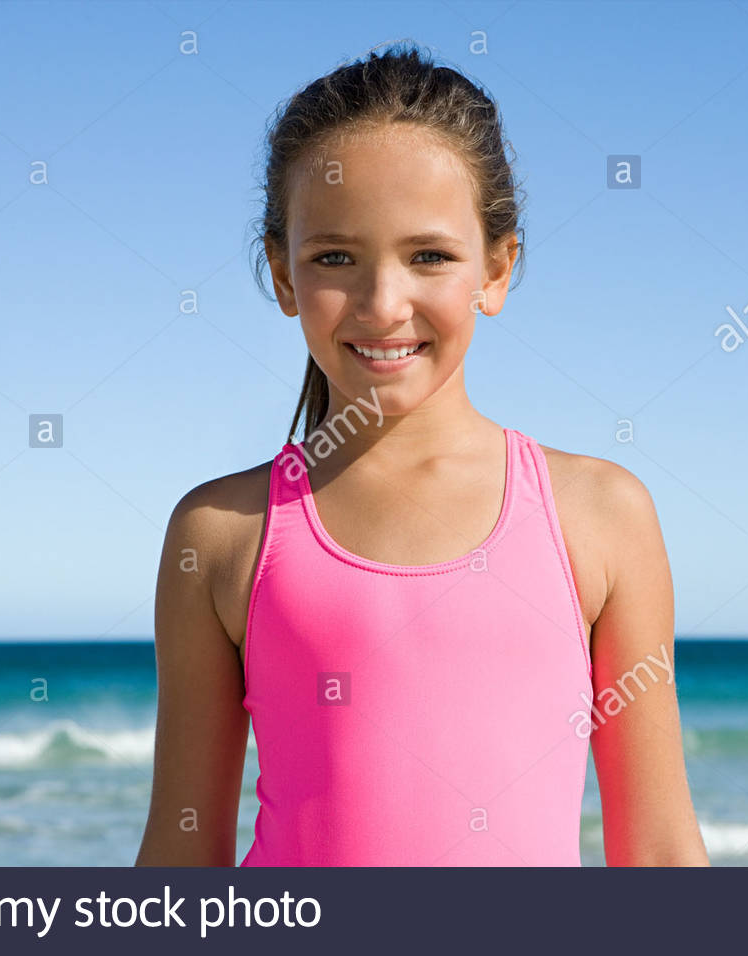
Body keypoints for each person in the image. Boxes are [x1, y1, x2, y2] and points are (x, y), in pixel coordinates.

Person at [136, 42, 708, 867]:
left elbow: (657, 851)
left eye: (429, 256)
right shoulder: (223, 533)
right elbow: (181, 857)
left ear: (497, 268)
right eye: (335, 258)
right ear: (283, 275)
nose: (382, 303)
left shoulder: (602, 516)